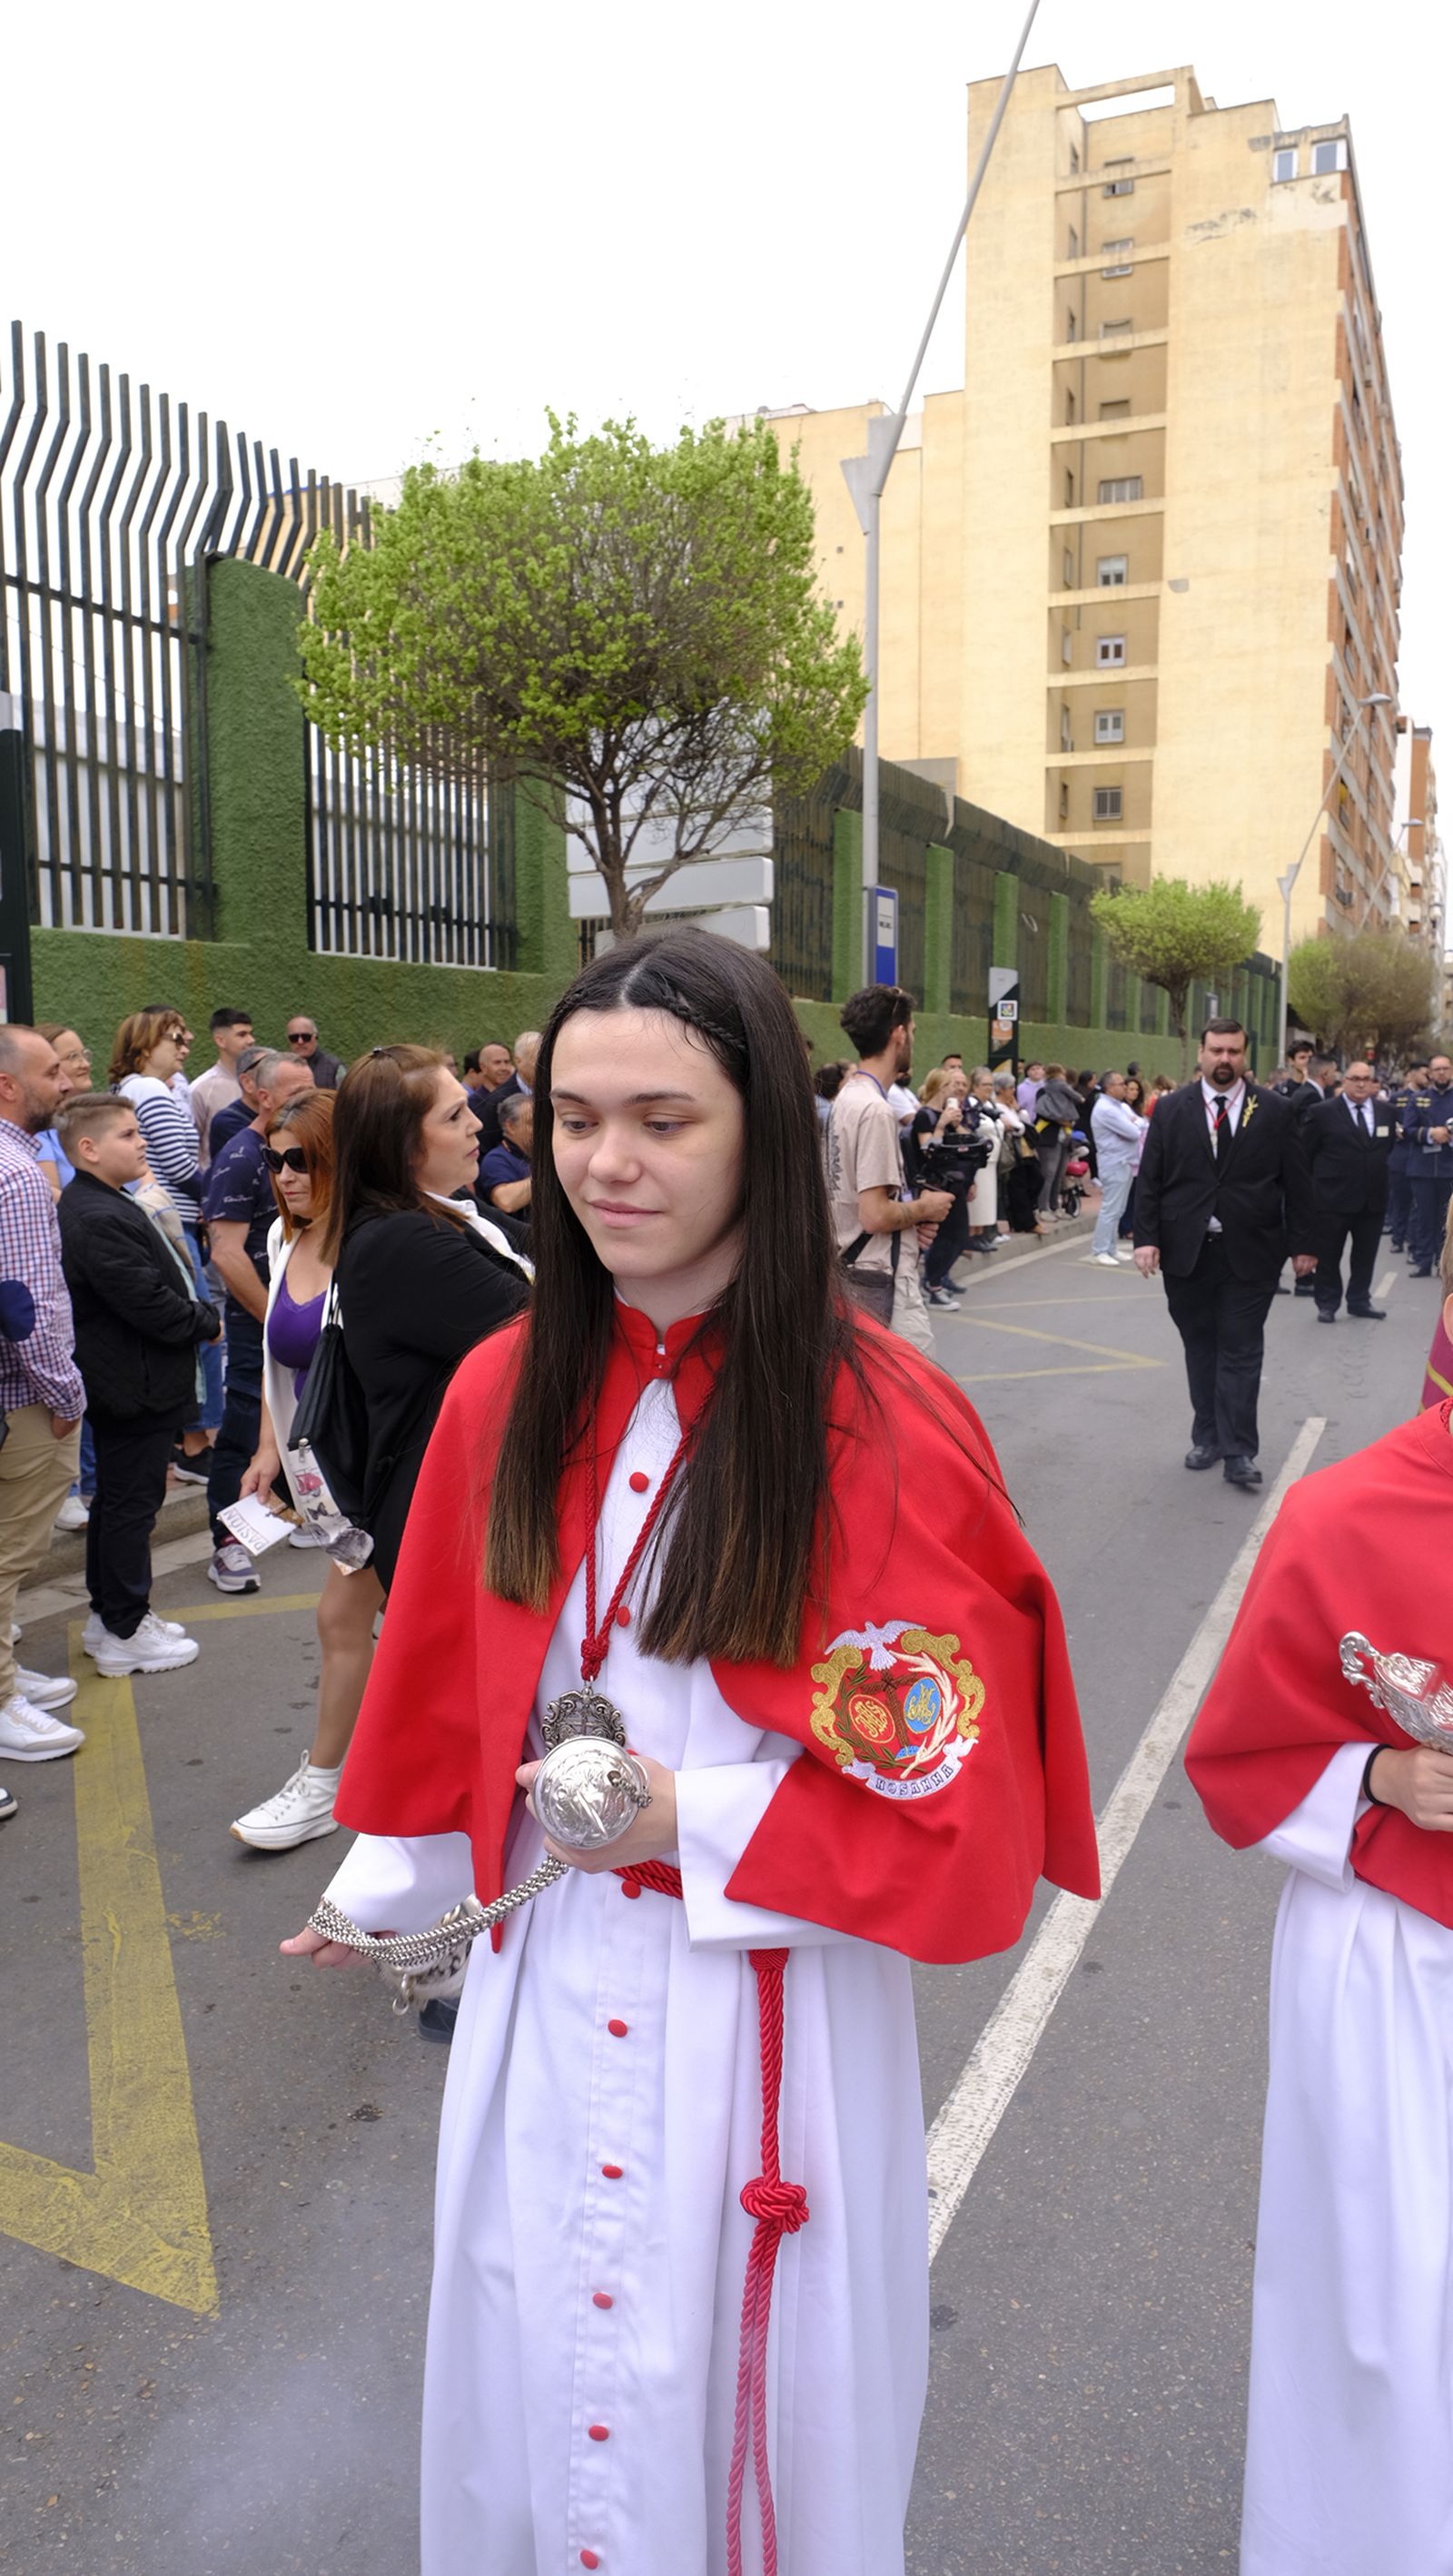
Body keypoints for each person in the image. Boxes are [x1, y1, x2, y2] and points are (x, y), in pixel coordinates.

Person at [283, 926, 1099, 2576]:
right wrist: (395, 1878)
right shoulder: (504, 1386)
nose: (604, 1159)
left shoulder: (876, 1417)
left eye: (664, 1119)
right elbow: (454, 1678)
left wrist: (685, 1815)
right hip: (544, 1973)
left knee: (747, 2415)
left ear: (763, 1138)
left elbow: (952, 1781)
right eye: (574, 1118)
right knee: (538, 2372)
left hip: (763, 2002)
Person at [1184, 1242, 1453, 2576]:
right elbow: (1237, 1761)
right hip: (1399, 1959)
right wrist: (1380, 1775)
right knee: (1385, 2302)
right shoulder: (1345, 1515)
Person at [230, 1090, 388, 1849]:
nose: (285, 1175)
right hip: (329, 1482)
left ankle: (328, 1782)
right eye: (274, 1159)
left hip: (394, 1478)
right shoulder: (280, 1241)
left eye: (303, 1159)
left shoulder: (385, 1245)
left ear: (341, 1158)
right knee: (376, 1624)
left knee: (342, 1616)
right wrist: (268, 1450)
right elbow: (279, 1364)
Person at [323, 1046, 532, 1588]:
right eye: (454, 1116)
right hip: (447, 1518)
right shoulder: (401, 1240)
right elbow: (549, 1324)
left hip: (470, 1503)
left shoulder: (449, 1210)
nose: (476, 1126)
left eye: (469, 1109)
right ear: (403, 1143)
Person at [55, 1093, 217, 1674]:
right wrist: (208, 1320)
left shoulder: (102, 1202)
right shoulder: (97, 1214)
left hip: (132, 1380)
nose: (142, 1142)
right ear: (89, 1148)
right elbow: (149, 1302)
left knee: (120, 1504)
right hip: (133, 1384)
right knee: (131, 1507)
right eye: (127, 1134)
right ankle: (125, 1629)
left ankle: (109, 1617)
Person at [1133, 1017, 1316, 1487]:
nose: (1224, 1060)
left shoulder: (1273, 1109)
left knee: (1240, 1348)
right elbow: (1150, 1178)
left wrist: (1303, 1244)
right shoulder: (1171, 1109)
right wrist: (1146, 1239)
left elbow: (1296, 1181)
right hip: (1186, 1251)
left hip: (1251, 1251)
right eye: (1216, 1051)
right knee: (1201, 1346)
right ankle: (1207, 1437)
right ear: (1201, 1052)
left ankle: (1239, 1451)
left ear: (1245, 1055)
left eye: (1233, 1052)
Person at [0, 1026, 88, 1766]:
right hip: (22, 1399)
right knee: (6, 1554)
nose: (67, 1082)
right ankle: (0, 1700)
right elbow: (26, 1306)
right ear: (8, 1085)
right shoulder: (19, 1175)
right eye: (53, 1071)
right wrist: (64, 1390)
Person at [203, 1050, 315, 1594]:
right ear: (260, 1095)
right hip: (262, 1318)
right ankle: (229, 1545)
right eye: (295, 1090)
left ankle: (295, 1513)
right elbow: (225, 1251)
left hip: (293, 1315)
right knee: (246, 1424)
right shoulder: (243, 1155)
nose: (307, 1097)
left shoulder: (291, 1146)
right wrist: (275, 1318)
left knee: (298, 1419)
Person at [825, 985, 952, 1352]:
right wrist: (926, 1208)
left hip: (850, 1271)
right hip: (880, 1280)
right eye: (912, 1031)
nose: (912, 1038)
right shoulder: (876, 1110)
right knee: (909, 1396)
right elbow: (876, 1215)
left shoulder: (846, 1099)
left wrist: (910, 1223)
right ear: (898, 1034)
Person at [1305, 1061, 1393, 1321]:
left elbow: (1386, 1149)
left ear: (1373, 1082)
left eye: (1366, 1078)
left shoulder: (1386, 1112)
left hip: (1372, 1198)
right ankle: (1328, 1303)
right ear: (1344, 1081)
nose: (1361, 1083)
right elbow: (1306, 1153)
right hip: (1332, 1198)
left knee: (1365, 1255)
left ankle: (1359, 1300)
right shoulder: (1322, 1112)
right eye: (1355, 1078)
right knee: (1329, 1254)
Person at [1401, 1051, 1453, 1278]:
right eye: (1437, 1069)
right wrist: (1431, 1133)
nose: (1441, 1072)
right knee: (1423, 1217)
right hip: (1422, 1168)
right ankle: (1423, 1260)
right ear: (1429, 1073)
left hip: (1448, 1168)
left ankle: (1446, 1265)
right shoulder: (1418, 1098)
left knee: (1448, 1222)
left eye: (1446, 1068)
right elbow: (1408, 1130)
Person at [1086, 1071, 1147, 1266]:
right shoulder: (1106, 1109)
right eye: (1121, 1084)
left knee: (1118, 1209)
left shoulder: (1119, 1106)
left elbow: (1141, 1124)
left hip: (1125, 1161)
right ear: (1109, 1087)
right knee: (1110, 1208)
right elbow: (1134, 1131)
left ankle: (1110, 1248)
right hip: (1114, 1162)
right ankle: (1100, 1250)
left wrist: (1133, 1124)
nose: (1124, 1087)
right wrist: (1132, 1125)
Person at [189, 1007, 256, 1168]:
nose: (251, 1040)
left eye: (250, 1033)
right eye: (242, 1034)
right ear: (220, 1040)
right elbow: (191, 1144)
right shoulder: (201, 1089)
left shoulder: (260, 1082)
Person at [473, 1031, 541, 1159]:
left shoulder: (554, 1090)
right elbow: (487, 1148)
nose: (544, 1066)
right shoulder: (498, 1101)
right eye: (537, 1060)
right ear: (518, 1061)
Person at [1028, 1064, 1082, 1221]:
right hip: (1049, 1136)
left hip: (1065, 1137)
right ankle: (1042, 1207)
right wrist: (1064, 1120)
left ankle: (1054, 1206)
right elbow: (1045, 1112)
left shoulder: (1067, 1093)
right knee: (1048, 1173)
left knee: (1059, 1173)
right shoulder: (1044, 1092)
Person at [1385, 1059, 1428, 1252]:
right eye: (1424, 1073)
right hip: (1401, 1154)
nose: (1428, 1077)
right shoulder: (1399, 1097)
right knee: (1401, 1201)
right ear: (1412, 1074)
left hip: (1421, 1154)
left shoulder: (1430, 1098)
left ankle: (1415, 1242)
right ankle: (1398, 1238)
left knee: (1418, 1205)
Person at [477, 1090, 532, 1219]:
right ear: (510, 1126)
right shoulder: (496, 1159)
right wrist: (549, 1174)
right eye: (531, 1123)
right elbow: (506, 1201)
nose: (539, 1129)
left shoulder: (535, 1154)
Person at [283, 1016, 344, 1089]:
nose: (300, 1042)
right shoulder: (281, 1070)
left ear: (315, 1037)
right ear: (288, 1040)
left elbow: (346, 1097)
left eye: (306, 1037)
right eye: (294, 1038)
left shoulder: (334, 1068)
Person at [465, 1041, 515, 1120]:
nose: (504, 1068)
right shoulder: (474, 1104)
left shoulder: (516, 1097)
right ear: (483, 1067)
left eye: (507, 1062)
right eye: (497, 1063)